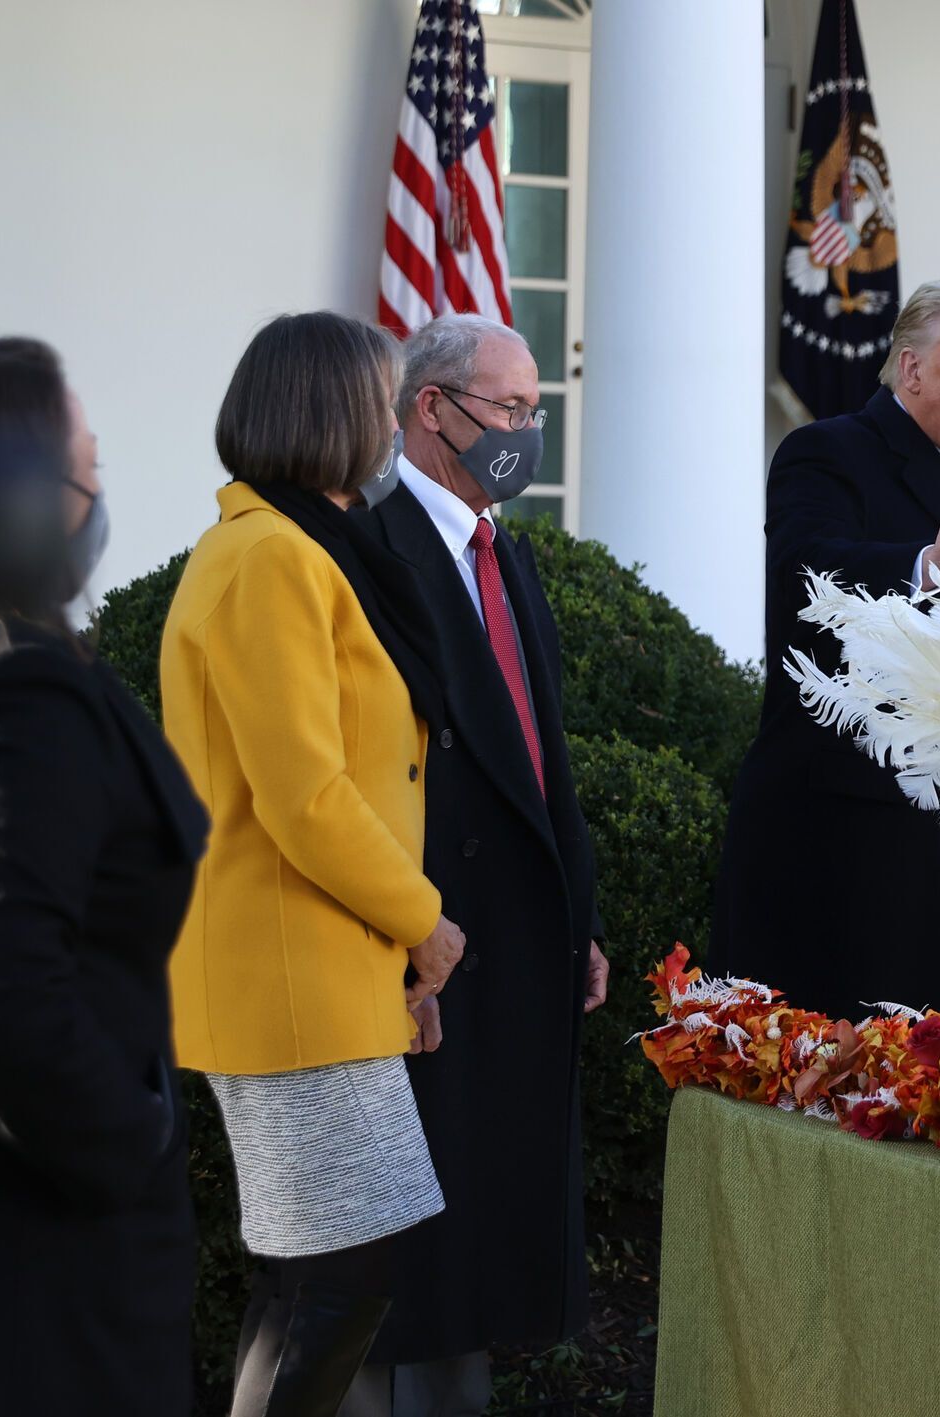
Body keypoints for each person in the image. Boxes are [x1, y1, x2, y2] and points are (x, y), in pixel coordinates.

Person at [0, 339, 208, 1414]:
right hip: (27, 1284)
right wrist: (136, 1142)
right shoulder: (8, 692)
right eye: (86, 470)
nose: (97, 499)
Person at [161, 312, 466, 1416]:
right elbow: (304, 794)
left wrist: (397, 962)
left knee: (316, 1283)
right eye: (381, 402)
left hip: (326, 966)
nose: (392, 424)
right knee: (337, 1284)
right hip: (289, 973)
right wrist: (424, 923)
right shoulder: (267, 557)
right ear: (330, 412)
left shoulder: (295, 546)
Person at [346, 314, 608, 1416]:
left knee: (486, 1218)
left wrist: (576, 917)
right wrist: (408, 935)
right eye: (507, 410)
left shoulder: (507, 548)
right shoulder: (373, 544)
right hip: (431, 944)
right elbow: (376, 769)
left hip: (517, 935)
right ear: (429, 409)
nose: (524, 431)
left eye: (534, 409)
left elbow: (545, 755)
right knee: (414, 1247)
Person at [714, 278, 940, 1020]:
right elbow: (806, 582)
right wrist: (931, 567)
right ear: (912, 369)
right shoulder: (824, 453)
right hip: (839, 852)